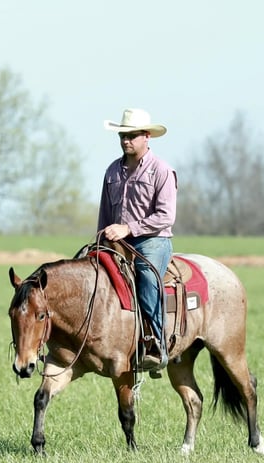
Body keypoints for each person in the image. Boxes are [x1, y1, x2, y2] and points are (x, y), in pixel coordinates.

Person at [98, 108, 177, 376]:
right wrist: (100, 240)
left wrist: (128, 228)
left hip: (153, 241)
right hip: (118, 241)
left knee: (146, 277)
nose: (126, 140)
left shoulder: (161, 171)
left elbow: (166, 216)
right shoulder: (112, 171)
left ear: (147, 136)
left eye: (131, 136)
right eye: (123, 135)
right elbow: (105, 213)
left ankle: (156, 344)